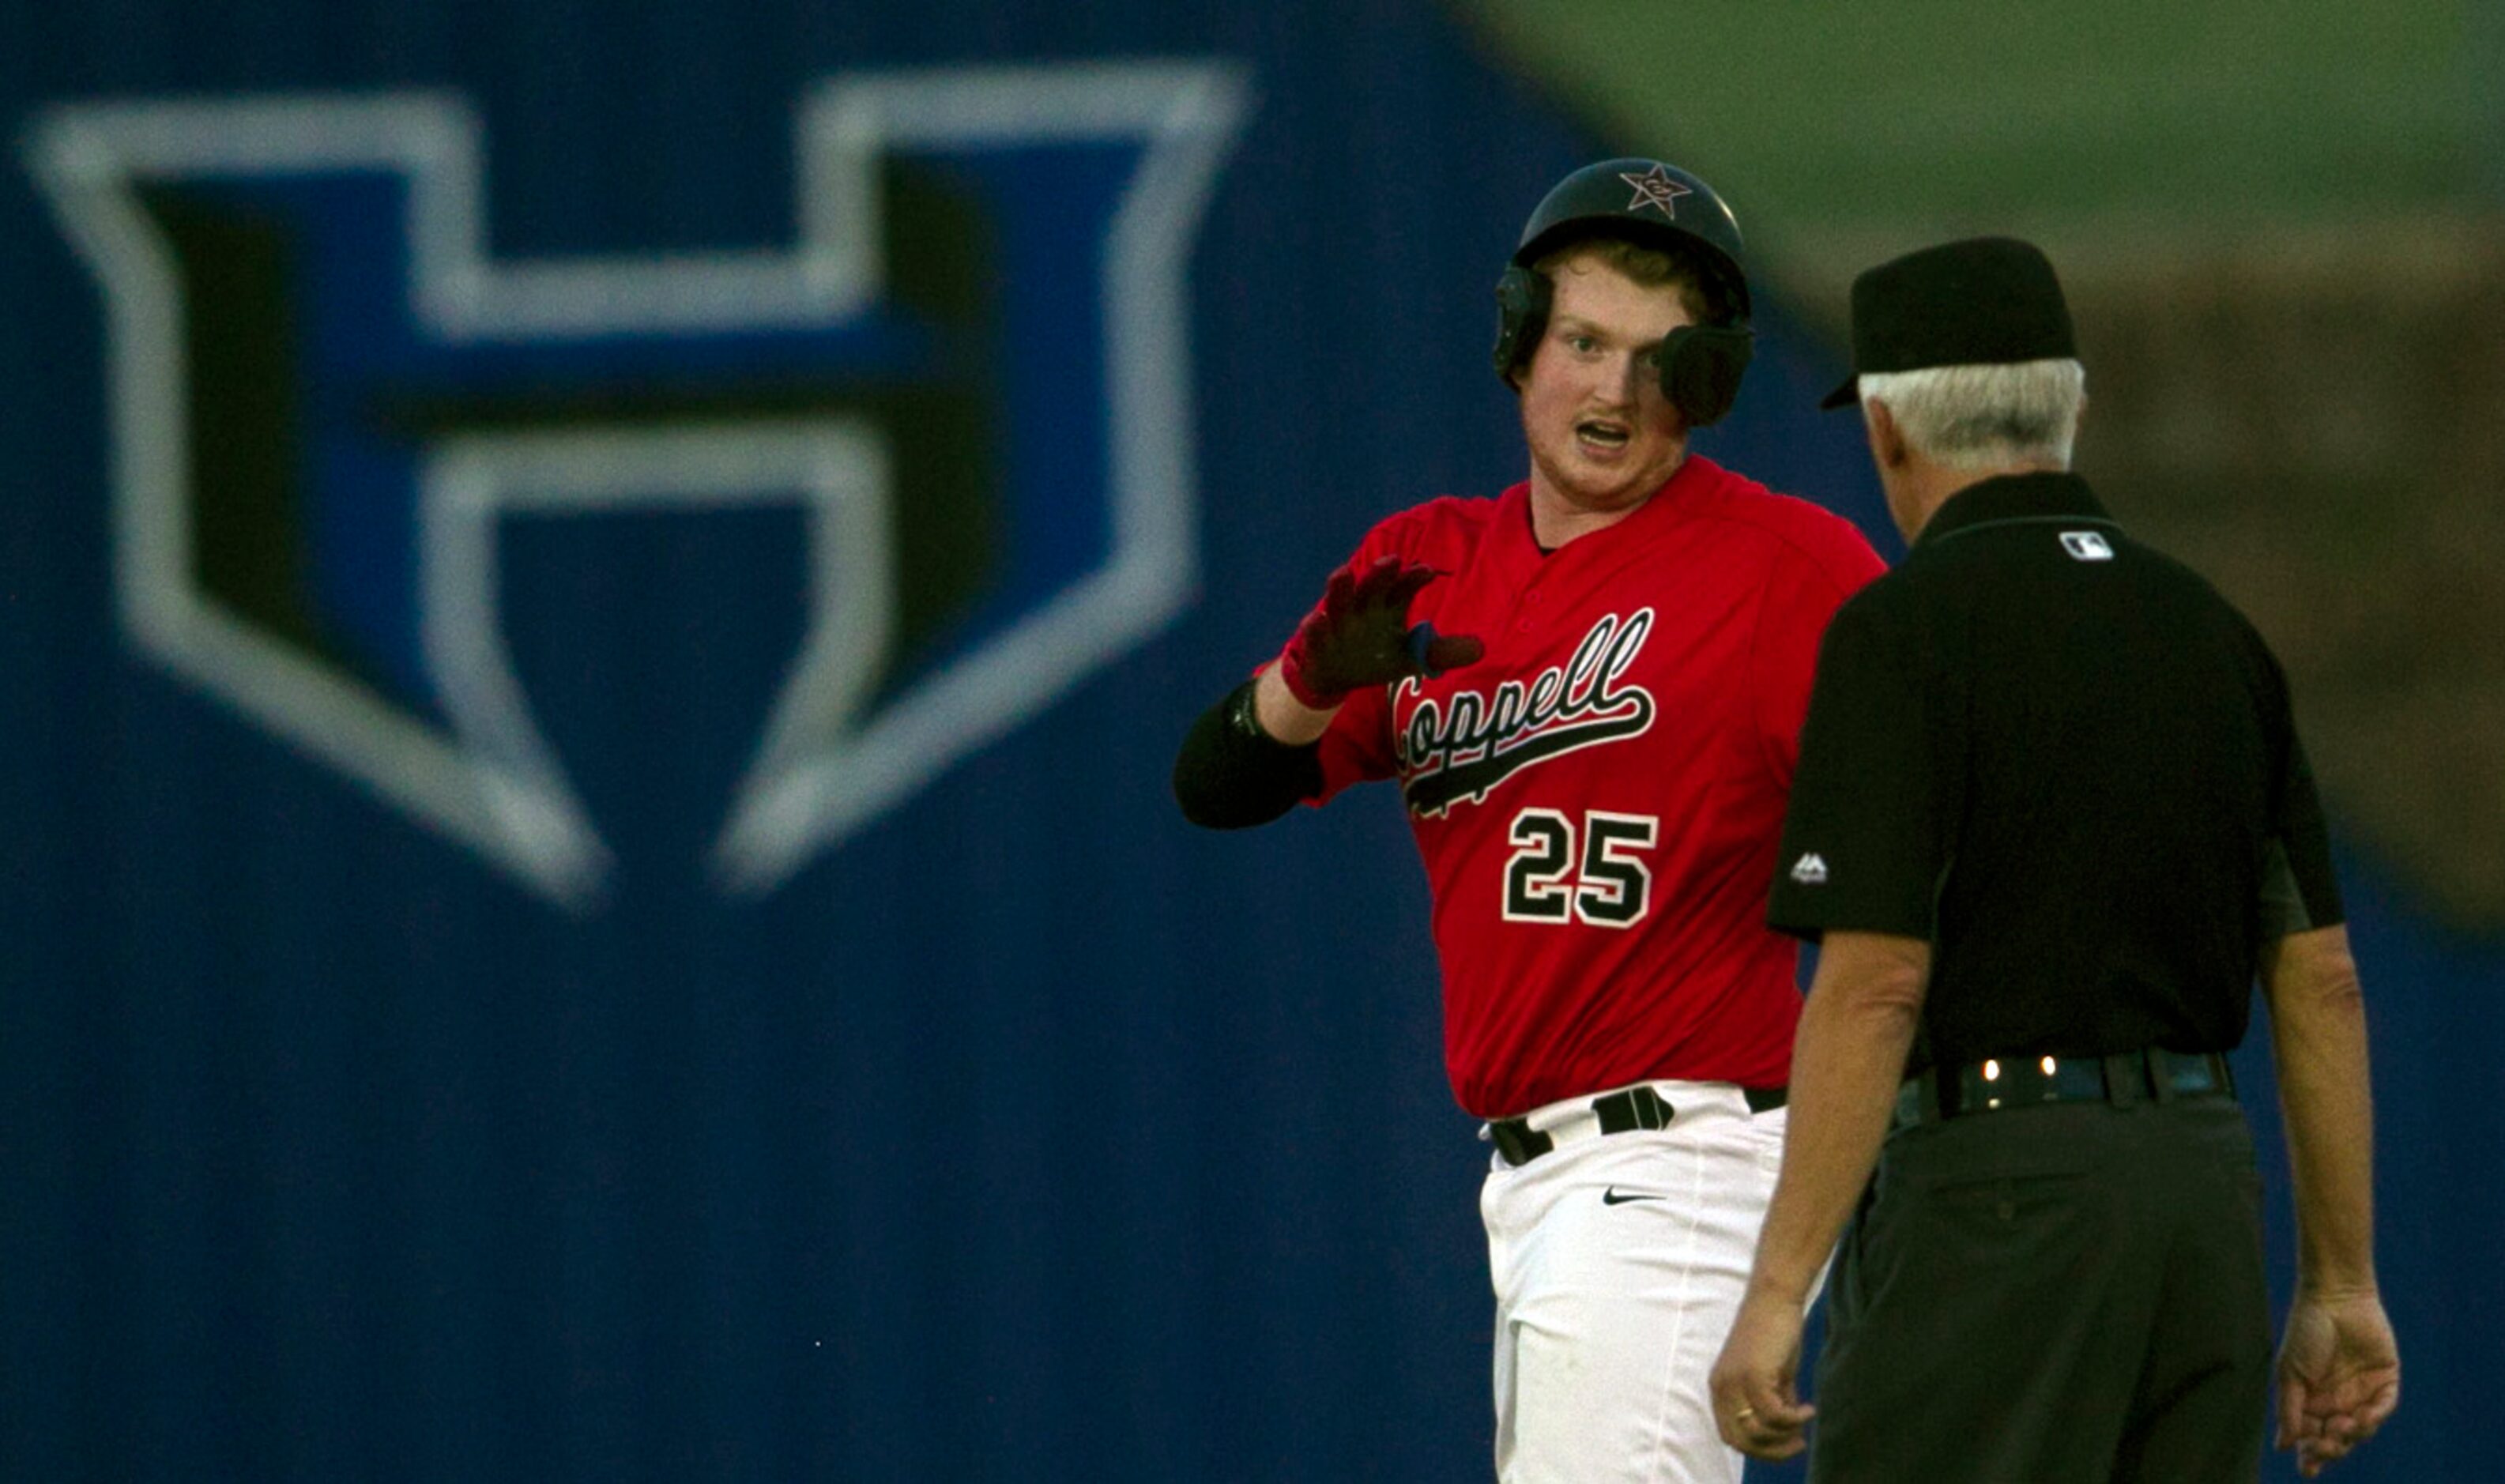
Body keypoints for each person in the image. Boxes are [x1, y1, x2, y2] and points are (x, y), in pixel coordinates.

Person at [1172, 159, 1885, 1482]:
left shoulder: (1789, 568)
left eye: (1657, 358)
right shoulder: (1435, 562)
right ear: (1518, 343)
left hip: (1678, 1154)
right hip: (1536, 1182)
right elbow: (1215, 786)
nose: (1613, 390)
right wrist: (1307, 682)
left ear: (1711, 382)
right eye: (1581, 340)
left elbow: (1930, 827)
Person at [1707, 236, 2401, 1482]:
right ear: (2070, 405)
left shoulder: (1900, 635)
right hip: (2198, 1194)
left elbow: (1872, 985)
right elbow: (2322, 977)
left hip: (1993, 1199)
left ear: (1887, 432)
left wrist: (1774, 1293)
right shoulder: (2211, 632)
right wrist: (2340, 1281)